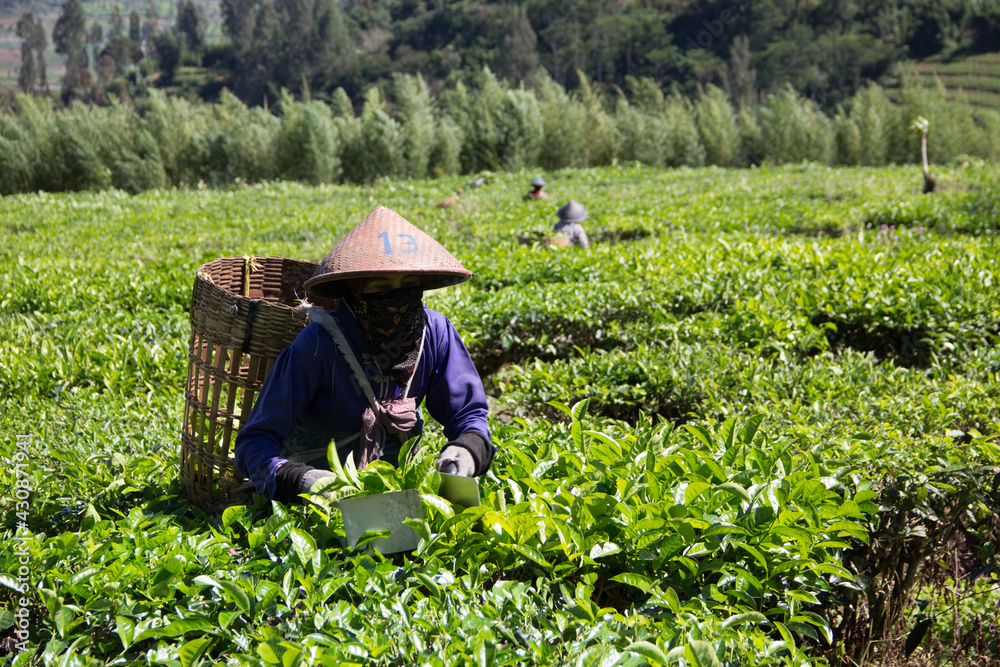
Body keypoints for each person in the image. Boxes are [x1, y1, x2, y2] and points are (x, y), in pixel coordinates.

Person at [234, 206, 494, 505]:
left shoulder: (434, 331)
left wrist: (468, 449)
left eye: (409, 286)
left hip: (402, 488)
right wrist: (300, 480)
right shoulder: (318, 344)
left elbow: (469, 413)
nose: (397, 301)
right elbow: (254, 442)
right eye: (381, 287)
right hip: (323, 499)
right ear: (355, 291)